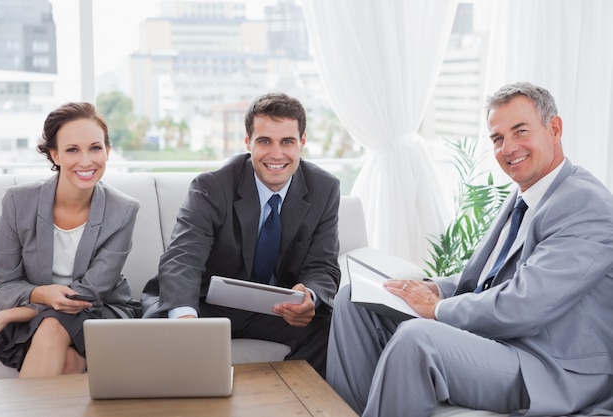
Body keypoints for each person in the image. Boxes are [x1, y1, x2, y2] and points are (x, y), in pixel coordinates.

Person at [326, 82, 613, 416]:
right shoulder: (525, 194)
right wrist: (434, 287)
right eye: (498, 138)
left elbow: (524, 304)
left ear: (554, 128)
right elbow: (489, 278)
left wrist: (437, 309)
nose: (508, 148)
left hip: (548, 365)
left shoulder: (583, 204)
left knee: (417, 340)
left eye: (520, 131)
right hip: (504, 342)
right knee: (353, 301)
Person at [141, 92, 340, 377]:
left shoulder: (324, 189)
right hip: (207, 302)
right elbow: (183, 257)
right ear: (247, 143)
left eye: (287, 141)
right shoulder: (211, 186)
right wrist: (186, 320)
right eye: (264, 141)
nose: (276, 154)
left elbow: (323, 265)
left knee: (329, 326)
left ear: (302, 142)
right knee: (160, 328)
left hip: (276, 309)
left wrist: (309, 295)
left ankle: (296, 405)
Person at [0, 102, 141, 377]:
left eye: (95, 148)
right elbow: (1, 286)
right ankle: (80, 366)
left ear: (107, 150)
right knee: (66, 362)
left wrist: (8, 315)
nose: (86, 161)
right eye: (72, 150)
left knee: (52, 327)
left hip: (100, 313)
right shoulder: (18, 202)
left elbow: (88, 295)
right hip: (39, 321)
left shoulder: (123, 210)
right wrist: (40, 294)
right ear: (54, 155)